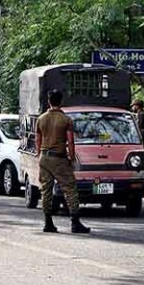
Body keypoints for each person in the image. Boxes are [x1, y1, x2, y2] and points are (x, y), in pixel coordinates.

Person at [36, 90, 90, 234]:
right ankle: (75, 222)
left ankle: (48, 222)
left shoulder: (41, 119)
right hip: (59, 158)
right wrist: (71, 158)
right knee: (70, 189)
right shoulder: (66, 120)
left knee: (45, 191)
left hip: (44, 157)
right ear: (61, 101)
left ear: (49, 101)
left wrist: (39, 154)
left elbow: (38, 140)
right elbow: (70, 142)